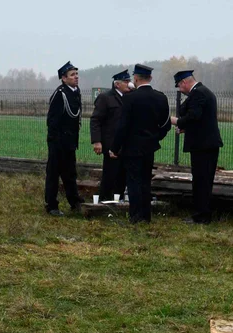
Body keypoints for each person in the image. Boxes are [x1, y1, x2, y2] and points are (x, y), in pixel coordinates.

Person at [109, 64, 171, 224]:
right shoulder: (160, 97)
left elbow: (123, 126)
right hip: (149, 147)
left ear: (135, 79)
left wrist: (115, 147)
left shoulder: (129, 98)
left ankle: (136, 216)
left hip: (132, 147)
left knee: (134, 182)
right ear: (150, 78)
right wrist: (155, 138)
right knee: (145, 181)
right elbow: (166, 125)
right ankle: (146, 216)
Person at [170, 70, 223, 224]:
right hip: (205, 144)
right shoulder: (203, 92)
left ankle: (201, 216)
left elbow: (194, 116)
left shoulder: (198, 94)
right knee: (202, 180)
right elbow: (201, 120)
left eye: (179, 86)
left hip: (203, 146)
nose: (180, 90)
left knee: (201, 182)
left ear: (184, 83)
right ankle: (201, 214)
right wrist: (187, 128)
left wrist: (176, 121)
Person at [45, 61, 84, 216]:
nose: (76, 77)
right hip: (58, 142)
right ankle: (51, 205)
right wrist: (56, 142)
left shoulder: (75, 92)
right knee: (54, 174)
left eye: (76, 74)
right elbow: (52, 121)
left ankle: (74, 201)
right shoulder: (60, 94)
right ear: (63, 78)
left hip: (70, 141)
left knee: (70, 173)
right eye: (72, 75)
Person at [90, 70, 131, 201]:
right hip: (110, 143)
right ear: (117, 84)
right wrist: (97, 141)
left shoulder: (129, 97)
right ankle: (105, 200)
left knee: (122, 175)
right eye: (125, 82)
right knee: (110, 174)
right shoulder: (105, 98)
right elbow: (95, 120)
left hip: (125, 143)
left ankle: (118, 200)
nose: (128, 84)